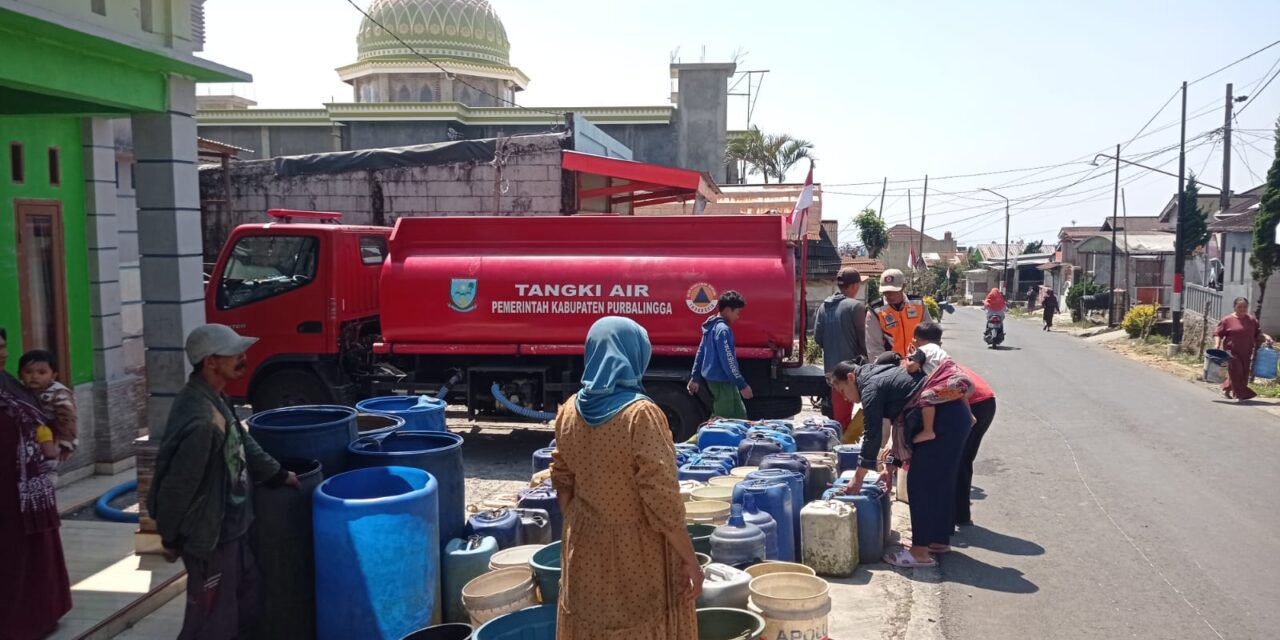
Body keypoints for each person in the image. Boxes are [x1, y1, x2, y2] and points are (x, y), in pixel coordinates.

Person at [551, 317, 701, 639]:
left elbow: (562, 482)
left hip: (582, 547)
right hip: (637, 553)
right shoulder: (640, 415)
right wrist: (690, 560)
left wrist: (586, 525)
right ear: (635, 355)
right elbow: (662, 500)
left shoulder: (568, 410)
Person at [147, 324, 300, 639]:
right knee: (211, 621)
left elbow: (243, 443)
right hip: (211, 538)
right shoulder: (202, 422)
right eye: (233, 353)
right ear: (210, 362)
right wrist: (171, 538)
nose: (242, 358)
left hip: (234, 529)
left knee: (246, 602)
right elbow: (178, 487)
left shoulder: (217, 399)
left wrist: (278, 473)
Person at [0, 327, 73, 639]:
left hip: (30, 485)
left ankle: (44, 611)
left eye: (3, 346)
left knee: (35, 548)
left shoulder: (8, 382)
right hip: (6, 490)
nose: (3, 353)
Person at [907, 322, 999, 527]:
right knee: (962, 459)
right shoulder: (943, 358)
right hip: (983, 400)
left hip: (976, 401)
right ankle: (959, 514)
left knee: (957, 460)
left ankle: (957, 516)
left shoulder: (923, 356)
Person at [814, 267, 868, 432]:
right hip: (854, 372)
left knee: (841, 418)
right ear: (854, 285)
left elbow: (818, 338)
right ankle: (850, 449)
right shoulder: (856, 307)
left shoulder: (824, 306)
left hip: (832, 369)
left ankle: (842, 448)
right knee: (867, 411)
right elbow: (865, 339)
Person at [687, 291, 753, 419]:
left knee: (740, 414)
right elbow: (728, 361)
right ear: (728, 310)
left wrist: (695, 377)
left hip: (724, 380)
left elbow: (701, 352)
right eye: (737, 312)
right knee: (722, 419)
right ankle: (703, 438)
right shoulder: (723, 330)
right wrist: (742, 384)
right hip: (721, 381)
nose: (738, 317)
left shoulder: (710, 326)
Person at [19, 350, 78, 469]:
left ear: (53, 375)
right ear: (19, 374)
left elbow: (68, 418)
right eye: (28, 372)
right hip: (32, 437)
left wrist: (66, 442)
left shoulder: (58, 393)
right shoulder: (20, 391)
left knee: (48, 466)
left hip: (55, 436)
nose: (34, 376)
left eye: (42, 372)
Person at [1215, 297, 1274, 402]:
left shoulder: (1251, 320)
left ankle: (1227, 388)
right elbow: (1217, 334)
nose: (1242, 309)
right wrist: (1217, 345)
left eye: (1245, 307)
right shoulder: (1227, 320)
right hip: (1231, 352)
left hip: (1246, 352)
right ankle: (1243, 394)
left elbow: (1258, 333)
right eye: (1239, 307)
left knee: (1243, 373)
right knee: (1237, 370)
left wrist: (1266, 336)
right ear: (1234, 307)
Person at [866, 268, 928, 360]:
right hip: (891, 366)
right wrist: (883, 368)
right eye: (886, 291)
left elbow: (930, 334)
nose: (889, 295)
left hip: (918, 361)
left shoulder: (918, 304)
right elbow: (874, 346)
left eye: (894, 291)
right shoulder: (875, 310)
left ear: (903, 287)